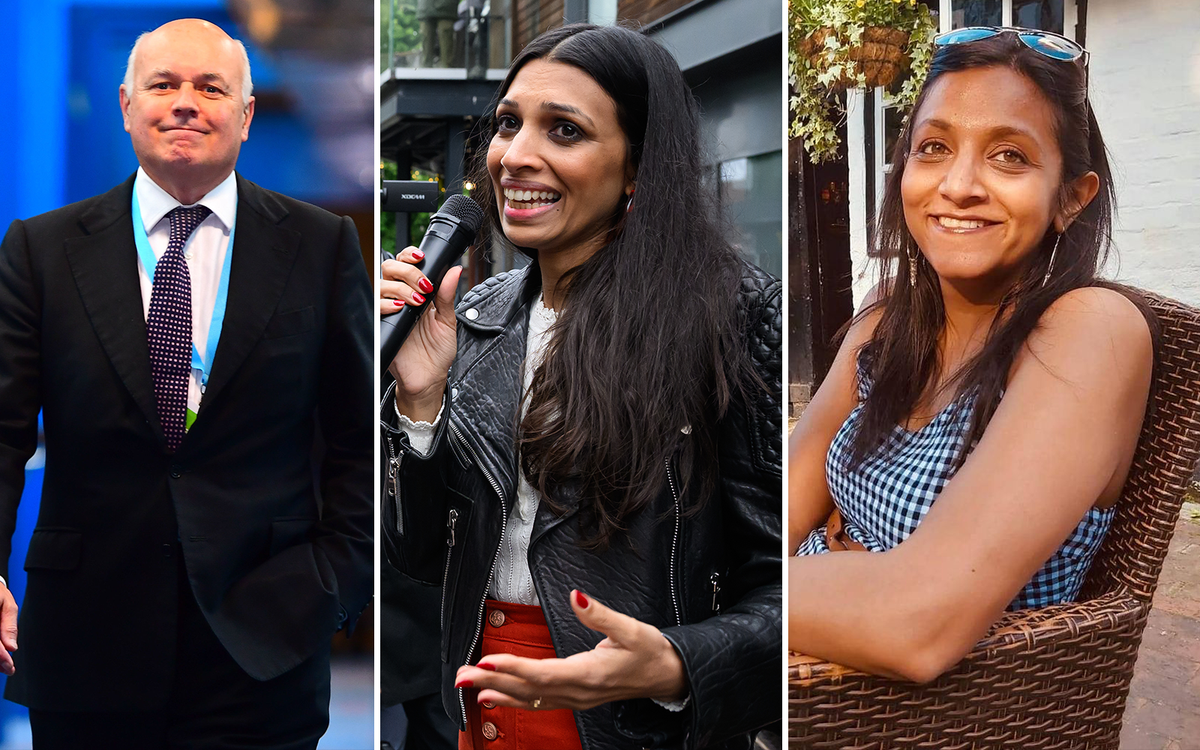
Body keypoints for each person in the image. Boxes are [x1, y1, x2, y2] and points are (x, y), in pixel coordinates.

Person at [380, 23, 782, 750]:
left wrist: (675, 665)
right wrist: (420, 403)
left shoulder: (732, 317)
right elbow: (419, 560)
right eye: (508, 123)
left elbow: (787, 585)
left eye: (564, 130)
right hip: (481, 717)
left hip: (632, 724)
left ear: (638, 166)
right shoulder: (476, 313)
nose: (515, 156)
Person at [0, 19, 373, 748]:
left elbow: (356, 439)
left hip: (266, 642)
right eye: (163, 84)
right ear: (126, 104)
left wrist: (335, 581)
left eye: (210, 86)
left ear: (246, 112)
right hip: (88, 638)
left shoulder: (321, 245)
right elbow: (3, 430)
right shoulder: (40, 251)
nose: (185, 103)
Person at [787, 27, 1155, 683]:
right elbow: (780, 506)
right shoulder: (887, 318)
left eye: (1009, 156)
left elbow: (916, 624)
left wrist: (741, 599)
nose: (958, 185)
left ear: (1071, 198)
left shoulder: (1089, 331)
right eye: (933, 147)